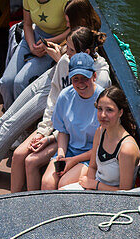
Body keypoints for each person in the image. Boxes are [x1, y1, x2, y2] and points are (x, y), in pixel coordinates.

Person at [0, 25, 108, 184]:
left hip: (70, 135)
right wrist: (44, 129)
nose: (66, 52)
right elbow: (55, 98)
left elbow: (83, 120)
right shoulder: (65, 63)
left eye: (70, 50)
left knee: (13, 130)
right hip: (55, 106)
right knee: (6, 119)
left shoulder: (99, 79)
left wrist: (49, 135)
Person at [9, 25, 107, 192]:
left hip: (89, 152)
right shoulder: (66, 89)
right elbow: (58, 113)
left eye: (70, 49)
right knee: (24, 159)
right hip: (65, 140)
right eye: (75, 79)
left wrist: (51, 141)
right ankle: (20, 204)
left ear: (94, 76)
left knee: (61, 185)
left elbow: (103, 140)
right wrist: (44, 134)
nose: (65, 52)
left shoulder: (102, 96)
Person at [61, 85, 140, 192]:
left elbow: (125, 192)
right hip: (95, 188)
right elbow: (92, 167)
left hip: (114, 197)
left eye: (109, 110)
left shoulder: (127, 149)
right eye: (100, 109)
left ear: (120, 112)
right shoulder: (100, 132)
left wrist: (95, 185)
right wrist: (89, 189)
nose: (103, 115)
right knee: (61, 191)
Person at [41, 50, 100, 191]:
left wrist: (73, 160)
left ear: (94, 76)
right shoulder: (65, 96)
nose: (80, 84)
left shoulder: (103, 100)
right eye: (75, 79)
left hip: (91, 155)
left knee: (64, 185)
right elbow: (62, 131)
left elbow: (103, 145)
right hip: (70, 151)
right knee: (47, 183)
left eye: (84, 78)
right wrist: (61, 154)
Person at [0, 0, 69, 110]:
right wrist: (31, 46)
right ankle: (9, 113)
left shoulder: (64, 2)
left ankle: (19, 120)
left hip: (54, 44)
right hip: (33, 37)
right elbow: (27, 24)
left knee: (20, 82)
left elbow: (73, 30)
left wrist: (48, 43)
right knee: (6, 82)